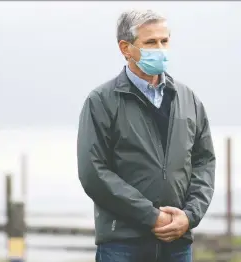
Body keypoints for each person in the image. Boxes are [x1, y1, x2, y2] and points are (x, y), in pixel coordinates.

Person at [77, 9, 216, 262]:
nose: (160, 49)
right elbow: (93, 172)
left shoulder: (188, 100)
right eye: (150, 42)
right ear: (125, 48)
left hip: (177, 242)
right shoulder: (102, 101)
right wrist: (152, 216)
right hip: (123, 244)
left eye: (165, 41)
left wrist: (189, 216)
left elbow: (204, 162)